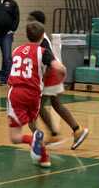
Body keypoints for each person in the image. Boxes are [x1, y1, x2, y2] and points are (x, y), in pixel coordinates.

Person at [7, 21, 66, 168]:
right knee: (32, 122)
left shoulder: (16, 50)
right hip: (34, 94)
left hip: (17, 92)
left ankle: (33, 140)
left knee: (15, 137)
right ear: (42, 36)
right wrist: (62, 75)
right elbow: (59, 68)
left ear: (27, 35)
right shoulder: (43, 51)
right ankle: (44, 157)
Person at [27, 11, 88, 150]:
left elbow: (49, 62)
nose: (28, 23)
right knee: (56, 104)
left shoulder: (42, 41)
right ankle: (77, 130)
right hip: (54, 74)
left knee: (36, 107)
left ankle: (50, 136)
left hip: (51, 75)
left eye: (31, 21)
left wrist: (42, 80)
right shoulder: (42, 39)